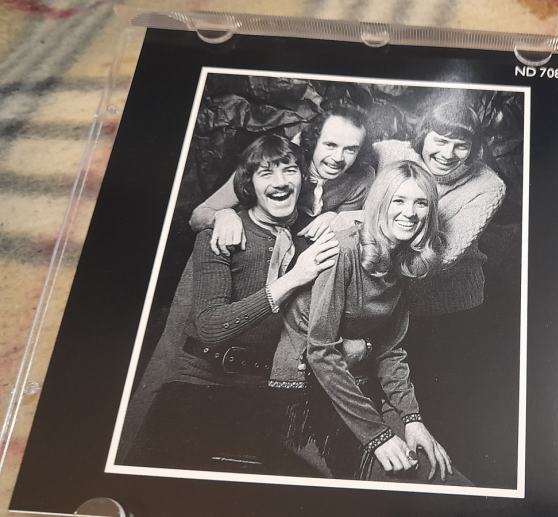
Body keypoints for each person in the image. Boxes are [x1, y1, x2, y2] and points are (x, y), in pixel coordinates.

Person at [125, 135, 339, 473]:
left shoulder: (315, 234)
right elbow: (210, 327)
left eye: (289, 170)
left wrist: (345, 218)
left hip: (267, 388)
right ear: (249, 184)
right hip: (199, 380)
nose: (280, 182)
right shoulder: (222, 232)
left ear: (303, 178)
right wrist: (295, 278)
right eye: (266, 173)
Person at [270, 161, 467, 484]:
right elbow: (320, 351)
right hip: (303, 393)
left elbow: (391, 348)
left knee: (444, 476)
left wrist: (412, 418)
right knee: (400, 480)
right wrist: (377, 435)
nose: (410, 212)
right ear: (379, 203)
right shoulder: (344, 249)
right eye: (398, 200)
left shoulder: (405, 258)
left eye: (421, 203)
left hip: (358, 386)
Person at [373, 100, 516, 486]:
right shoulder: (391, 153)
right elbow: (326, 160)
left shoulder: (488, 185)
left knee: (439, 417)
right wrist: (226, 209)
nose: (448, 153)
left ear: (475, 148)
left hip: (449, 313)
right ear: (423, 136)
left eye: (461, 144)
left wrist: (365, 239)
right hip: (386, 306)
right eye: (440, 139)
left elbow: (439, 257)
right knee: (393, 412)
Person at [190, 105, 374, 255]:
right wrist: (223, 215)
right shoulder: (271, 161)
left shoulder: (361, 178)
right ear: (314, 140)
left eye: (350, 149)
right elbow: (197, 217)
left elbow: (343, 238)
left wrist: (337, 218)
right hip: (243, 246)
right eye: (330, 145)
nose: (338, 158)